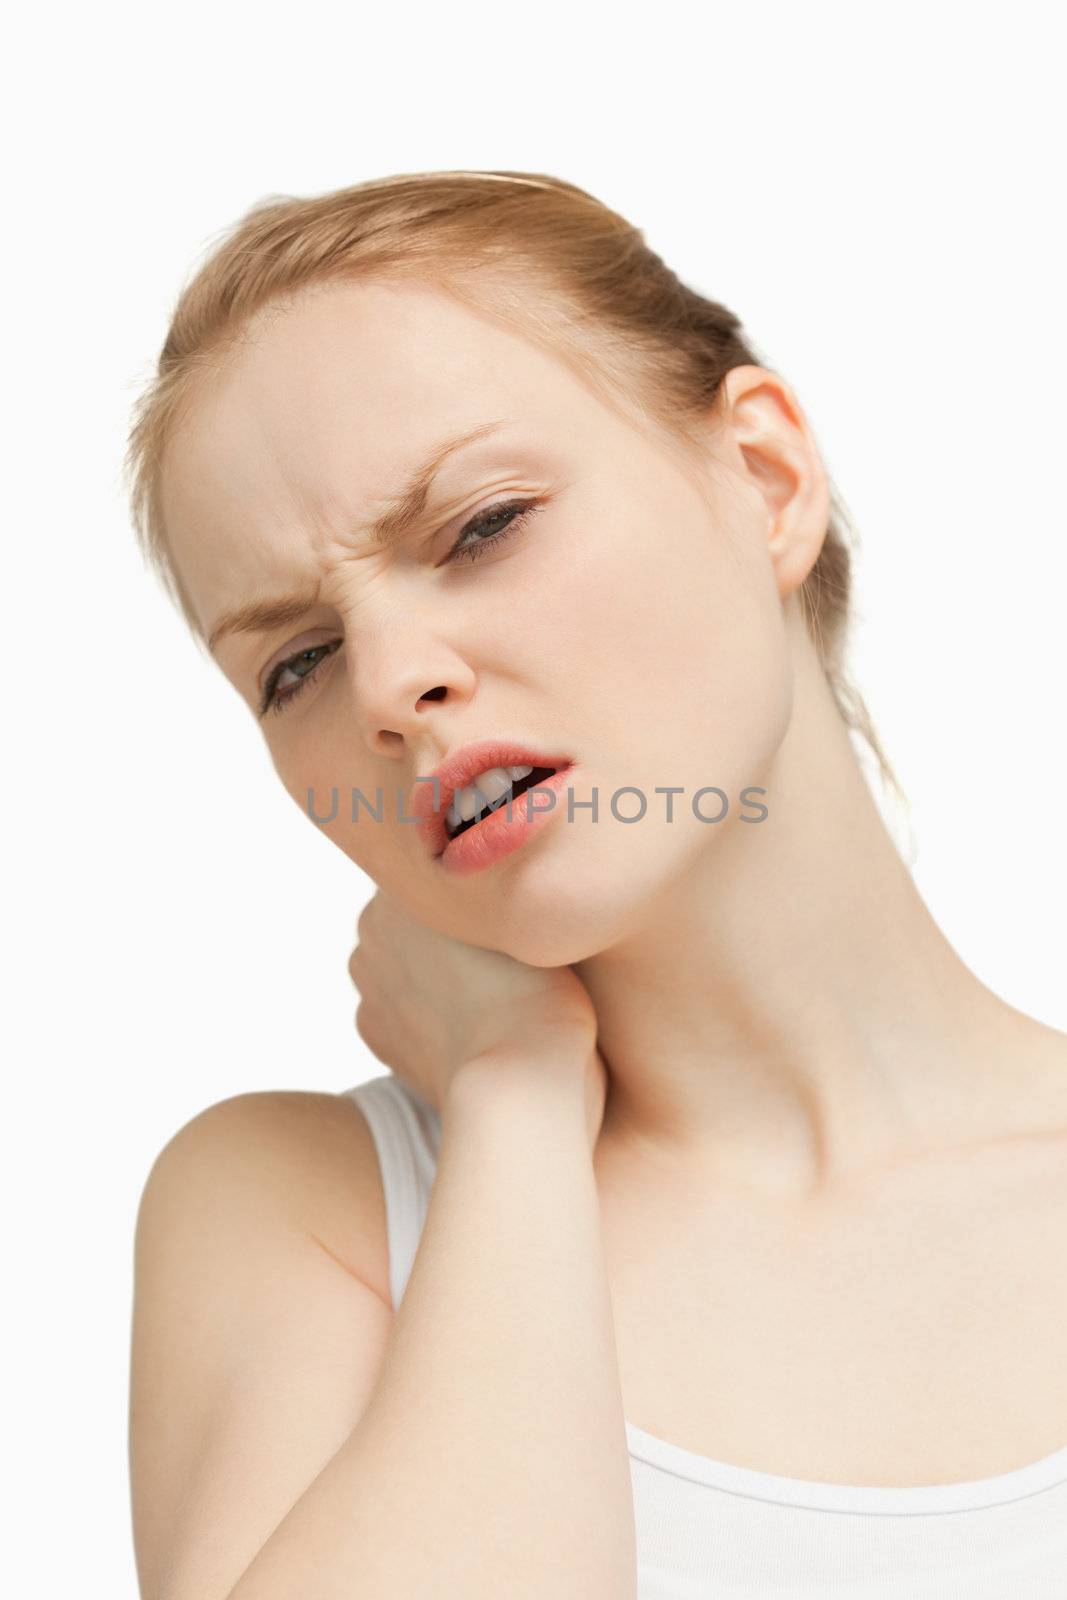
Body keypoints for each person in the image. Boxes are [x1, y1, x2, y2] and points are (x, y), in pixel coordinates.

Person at [125, 170, 1067, 1599]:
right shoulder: (302, 1212)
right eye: (295, 664)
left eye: (482, 525)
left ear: (763, 481)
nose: (388, 684)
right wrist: (510, 1098)